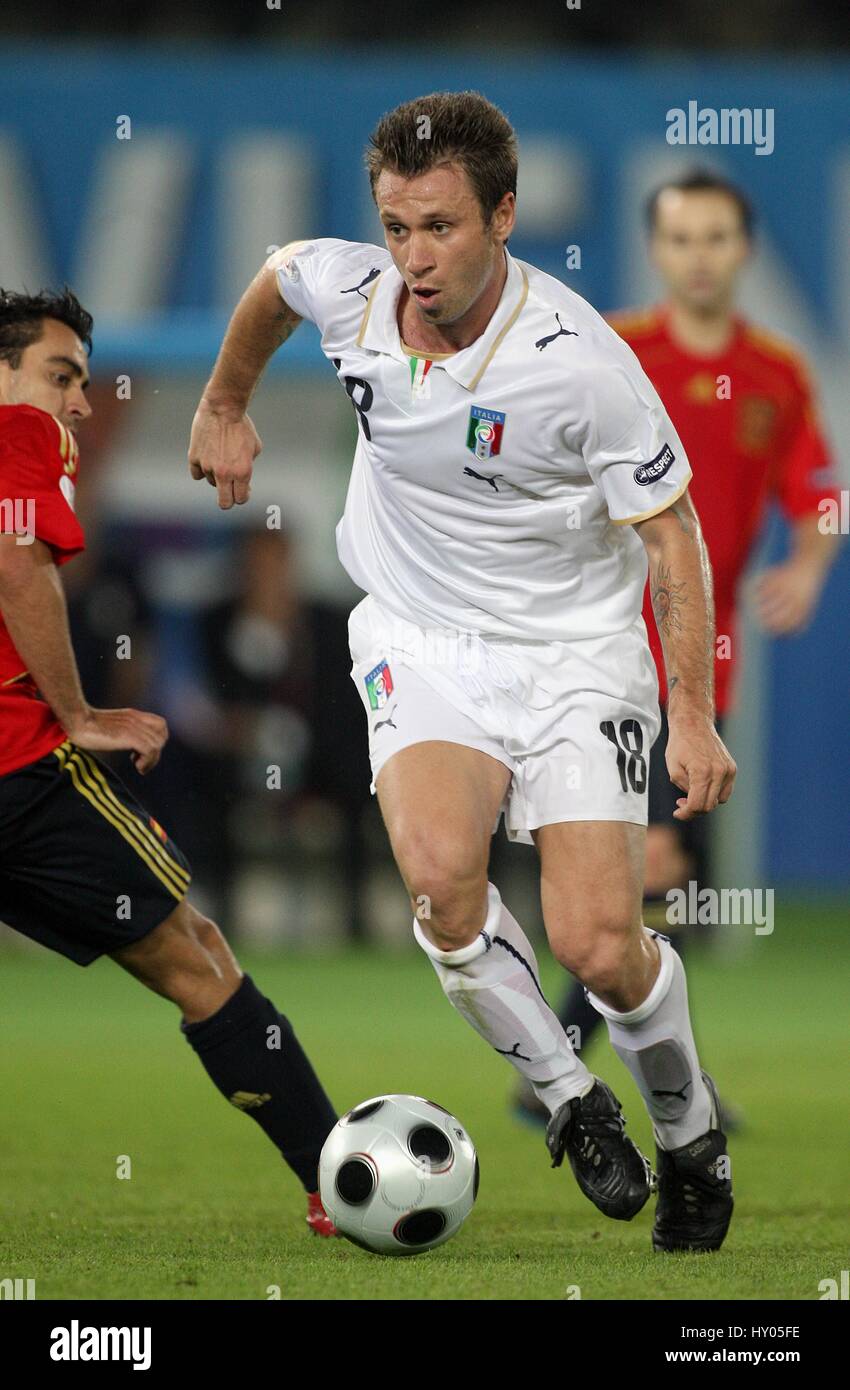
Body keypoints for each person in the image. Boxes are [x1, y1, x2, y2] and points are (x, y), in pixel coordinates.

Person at [188, 91, 738, 1252]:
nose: (413, 257)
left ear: (502, 215)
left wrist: (690, 710)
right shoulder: (352, 291)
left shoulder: (580, 363)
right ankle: (572, 1099)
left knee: (598, 942)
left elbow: (671, 537)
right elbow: (278, 278)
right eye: (395, 226)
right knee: (439, 883)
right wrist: (225, 399)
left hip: (575, 651)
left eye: (439, 227)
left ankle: (689, 1138)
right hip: (423, 636)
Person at [0, 288, 339, 1237]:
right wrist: (78, 712)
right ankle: (339, 1179)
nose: (75, 402)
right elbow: (15, 560)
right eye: (60, 376)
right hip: (19, 770)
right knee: (197, 956)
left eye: (82, 382)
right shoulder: (18, 432)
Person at [513, 170, 841, 1130]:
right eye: (682, 238)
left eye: (717, 238)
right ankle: (577, 1069)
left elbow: (823, 492)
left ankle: (568, 1068)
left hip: (703, 663)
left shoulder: (777, 374)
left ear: (743, 251)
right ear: (656, 252)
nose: (699, 255)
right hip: (603, 649)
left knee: (669, 880)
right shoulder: (612, 354)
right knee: (647, 866)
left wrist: (813, 568)